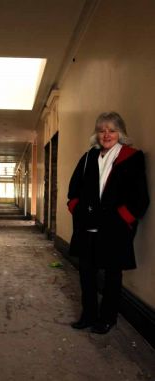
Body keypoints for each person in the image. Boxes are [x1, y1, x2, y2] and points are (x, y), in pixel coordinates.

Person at [67, 112, 149, 334]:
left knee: (113, 276)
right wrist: (78, 210)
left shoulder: (131, 157)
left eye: (112, 130)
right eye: (102, 130)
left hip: (115, 230)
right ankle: (88, 315)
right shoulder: (88, 158)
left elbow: (140, 198)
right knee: (86, 274)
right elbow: (73, 191)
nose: (106, 134)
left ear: (120, 133)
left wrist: (122, 221)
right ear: (96, 134)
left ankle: (107, 318)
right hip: (87, 228)